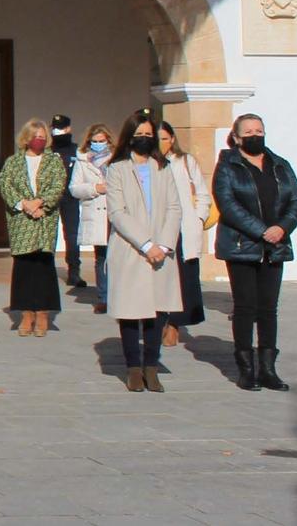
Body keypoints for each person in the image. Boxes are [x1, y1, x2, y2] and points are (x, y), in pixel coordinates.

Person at [213, 113, 297, 392]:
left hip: (275, 246)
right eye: (249, 131)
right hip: (242, 246)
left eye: (259, 130)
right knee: (245, 307)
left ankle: (268, 369)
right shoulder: (228, 167)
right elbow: (227, 204)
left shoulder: (280, 165)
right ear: (237, 137)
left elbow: (296, 200)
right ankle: (246, 369)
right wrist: (261, 230)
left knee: (268, 309)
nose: (255, 135)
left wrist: (281, 229)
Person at [105, 109, 182, 392]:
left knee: (157, 311)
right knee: (130, 311)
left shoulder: (163, 168)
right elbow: (118, 212)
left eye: (149, 135)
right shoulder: (117, 169)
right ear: (129, 137)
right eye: (140, 135)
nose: (145, 139)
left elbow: (174, 208)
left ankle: (152, 365)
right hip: (131, 249)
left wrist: (162, 244)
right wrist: (146, 244)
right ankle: (133, 368)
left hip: (161, 251)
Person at [0, 117, 64, 337]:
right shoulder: (12, 162)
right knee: (24, 267)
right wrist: (24, 204)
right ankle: (26, 314)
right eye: (35, 137)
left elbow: (58, 184)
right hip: (21, 219)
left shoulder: (54, 161)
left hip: (44, 217)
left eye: (42, 137)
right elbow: (5, 185)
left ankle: (43, 314)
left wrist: (40, 202)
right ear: (26, 138)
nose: (39, 140)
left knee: (44, 266)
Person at [159, 120, 211, 347]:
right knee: (160, 277)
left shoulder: (185, 161)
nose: (161, 143)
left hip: (185, 228)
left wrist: (199, 217)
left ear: (172, 139)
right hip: (160, 229)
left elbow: (202, 193)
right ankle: (159, 320)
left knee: (184, 279)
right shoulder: (147, 163)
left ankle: (175, 324)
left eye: (164, 138)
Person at [70, 124, 115, 314]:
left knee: (118, 257)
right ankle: (104, 297)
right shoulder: (82, 160)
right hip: (96, 212)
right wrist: (95, 188)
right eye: (94, 142)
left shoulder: (119, 157)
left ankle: (120, 295)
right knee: (101, 257)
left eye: (101, 141)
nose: (98, 145)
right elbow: (74, 188)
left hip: (116, 212)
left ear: (109, 141)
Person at [52, 114, 85, 287]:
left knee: (72, 234)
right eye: (55, 128)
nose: (57, 131)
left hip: (70, 197)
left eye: (61, 128)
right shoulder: (48, 150)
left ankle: (74, 271)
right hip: (51, 197)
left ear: (69, 129)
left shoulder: (76, 150)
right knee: (49, 234)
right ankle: (47, 270)